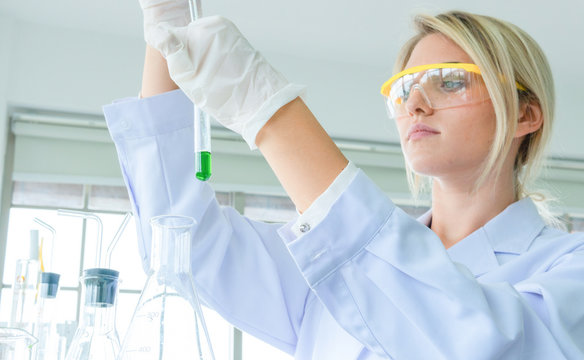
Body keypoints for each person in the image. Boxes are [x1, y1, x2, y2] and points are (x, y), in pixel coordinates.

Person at [103, 1, 584, 358]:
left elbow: (480, 344)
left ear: (526, 113)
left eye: (450, 80)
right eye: (404, 89)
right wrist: (165, 32)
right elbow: (184, 244)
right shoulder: (329, 268)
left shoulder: (568, 268)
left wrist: (271, 114)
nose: (415, 104)